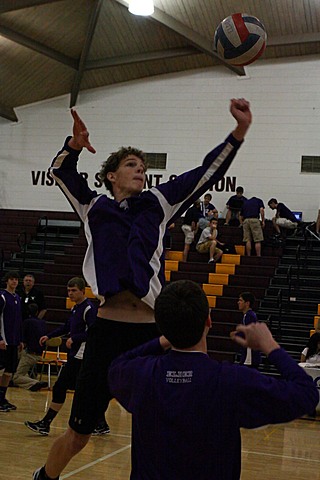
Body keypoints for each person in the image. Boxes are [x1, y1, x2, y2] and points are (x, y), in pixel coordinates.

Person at [32, 98, 252, 480]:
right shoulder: (93, 206)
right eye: (132, 165)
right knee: (78, 433)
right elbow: (60, 173)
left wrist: (238, 133)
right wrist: (73, 145)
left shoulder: (159, 202)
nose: (141, 171)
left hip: (152, 334)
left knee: (156, 427)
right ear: (111, 176)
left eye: (144, 167)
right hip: (106, 332)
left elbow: (206, 173)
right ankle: (43, 478)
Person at [108, 279, 318, 480]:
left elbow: (117, 365)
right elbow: (307, 394)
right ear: (208, 321)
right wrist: (271, 347)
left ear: (162, 327)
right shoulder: (230, 380)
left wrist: (163, 340)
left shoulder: (140, 374)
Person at [25, 277, 100, 436]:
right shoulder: (75, 309)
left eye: (74, 291)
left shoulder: (88, 308)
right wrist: (49, 336)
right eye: (68, 291)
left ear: (82, 290)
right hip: (75, 353)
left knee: (61, 386)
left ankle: (46, 423)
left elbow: (94, 331)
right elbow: (67, 326)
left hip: (82, 354)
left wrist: (76, 338)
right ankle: (101, 423)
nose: (70, 294)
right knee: (83, 389)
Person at [0, 271, 23, 412]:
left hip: (14, 340)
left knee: (9, 371)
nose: (14, 282)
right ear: (7, 281)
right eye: (12, 279)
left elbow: (19, 320)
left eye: (16, 279)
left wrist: (20, 339)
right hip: (4, 340)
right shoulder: (2, 297)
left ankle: (2, 398)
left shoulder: (17, 297)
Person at [12, 303, 48, 391]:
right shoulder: (43, 323)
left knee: (16, 378)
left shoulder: (27, 322)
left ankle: (34, 382)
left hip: (30, 353)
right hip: (39, 353)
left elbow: (22, 341)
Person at [237, 292, 261, 368]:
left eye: (240, 300)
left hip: (250, 352)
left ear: (247, 303)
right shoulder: (249, 315)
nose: (238, 302)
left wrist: (238, 335)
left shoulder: (249, 316)